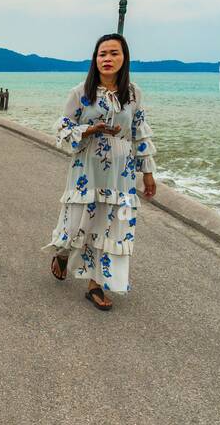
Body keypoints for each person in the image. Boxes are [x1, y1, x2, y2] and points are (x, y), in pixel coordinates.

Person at [47, 32, 157, 311]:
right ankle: (63, 252)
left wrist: (147, 173)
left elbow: (139, 133)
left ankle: (95, 285)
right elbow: (61, 129)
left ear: (124, 58)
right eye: (102, 54)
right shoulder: (80, 94)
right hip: (87, 170)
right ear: (95, 59)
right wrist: (89, 129)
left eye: (114, 53)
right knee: (76, 223)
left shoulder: (133, 94)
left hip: (121, 173)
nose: (107, 59)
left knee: (107, 225)